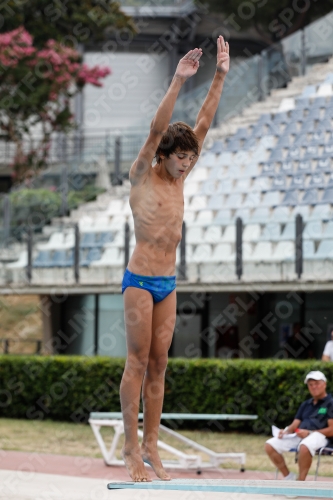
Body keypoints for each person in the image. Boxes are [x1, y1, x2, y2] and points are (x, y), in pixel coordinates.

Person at [119, 37, 230, 482]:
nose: (186, 165)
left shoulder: (180, 180)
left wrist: (219, 75)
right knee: (138, 361)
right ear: (164, 156)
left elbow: (203, 122)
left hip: (168, 282)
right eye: (180, 158)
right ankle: (130, 450)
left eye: (190, 159)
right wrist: (179, 80)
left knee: (161, 365)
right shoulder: (144, 174)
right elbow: (155, 129)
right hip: (139, 281)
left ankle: (152, 449)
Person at [265, 371, 333, 481]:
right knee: (270, 444)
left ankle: (300, 483)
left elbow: (332, 430)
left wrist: (310, 433)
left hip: (321, 438)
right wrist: (286, 431)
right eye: (310, 385)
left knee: (305, 446)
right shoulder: (305, 404)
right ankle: (288, 477)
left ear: (324, 384)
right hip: (300, 436)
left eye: (316, 383)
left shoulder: (330, 403)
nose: (313, 387)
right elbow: (295, 424)